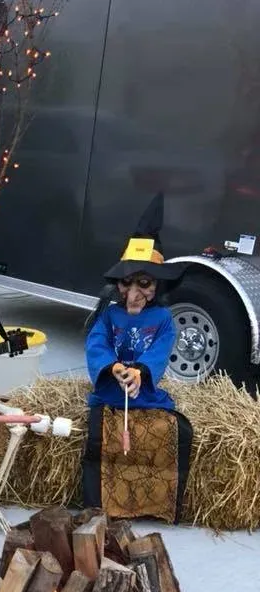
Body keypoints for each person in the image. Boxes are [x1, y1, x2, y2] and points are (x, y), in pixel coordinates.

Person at [82, 194, 193, 524]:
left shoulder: (162, 319)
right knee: (97, 435)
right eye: (127, 283)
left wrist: (141, 372)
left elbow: (158, 351)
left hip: (144, 392)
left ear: (156, 286)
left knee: (173, 433)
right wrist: (115, 368)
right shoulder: (109, 315)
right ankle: (98, 502)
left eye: (143, 284)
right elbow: (97, 344)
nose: (134, 294)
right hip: (111, 390)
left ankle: (158, 501)